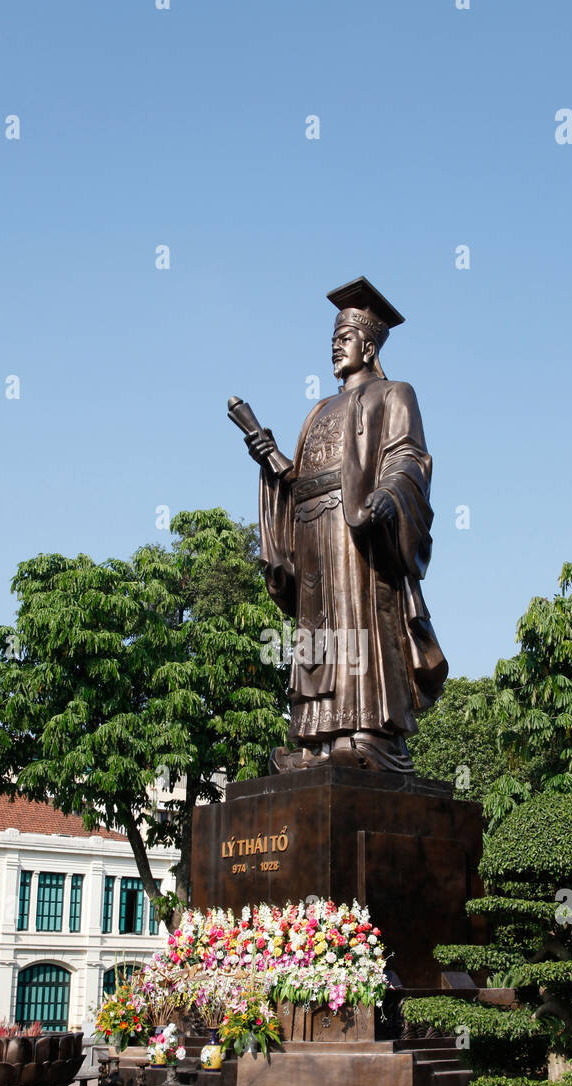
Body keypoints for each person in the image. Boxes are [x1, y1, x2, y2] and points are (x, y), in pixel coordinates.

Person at [242, 277, 448, 772]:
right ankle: (316, 740)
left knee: (358, 623)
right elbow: (301, 479)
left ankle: (364, 733)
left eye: (345, 339)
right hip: (313, 530)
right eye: (333, 340)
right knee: (318, 632)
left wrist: (387, 496)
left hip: (358, 534)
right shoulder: (320, 409)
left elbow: (409, 459)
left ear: (369, 344)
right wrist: (272, 464)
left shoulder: (395, 394)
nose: (336, 348)